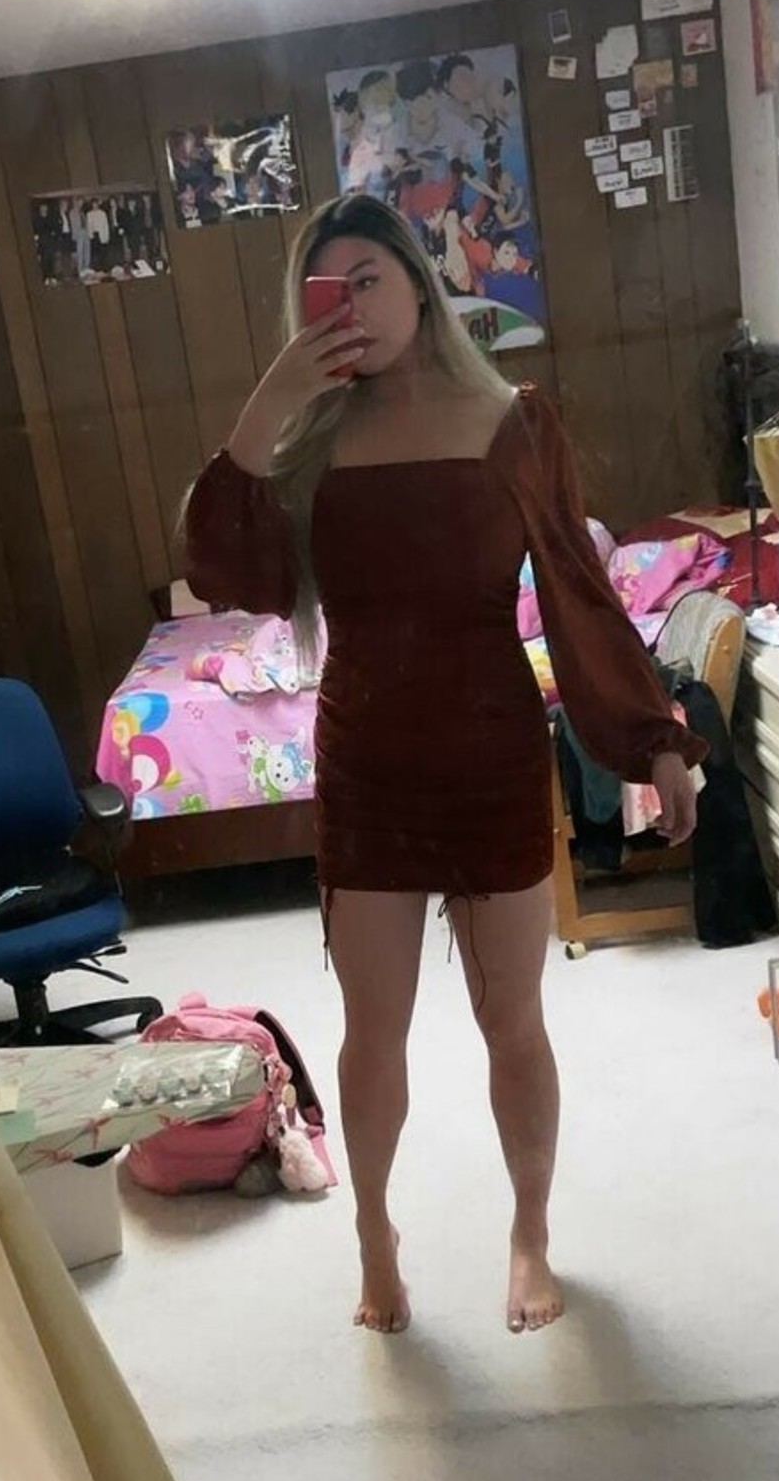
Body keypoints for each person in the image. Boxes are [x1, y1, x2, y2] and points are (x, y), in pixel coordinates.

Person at [181, 195, 705, 1338]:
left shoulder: (514, 420)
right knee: (374, 1031)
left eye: (369, 280)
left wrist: (653, 736)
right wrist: (274, 396)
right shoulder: (307, 444)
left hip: (490, 752)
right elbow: (223, 564)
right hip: (367, 758)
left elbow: (576, 586)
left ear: (420, 284)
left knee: (513, 1021)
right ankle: (374, 1230)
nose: (352, 308)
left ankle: (531, 1233)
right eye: (327, 293)